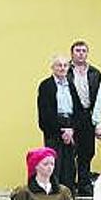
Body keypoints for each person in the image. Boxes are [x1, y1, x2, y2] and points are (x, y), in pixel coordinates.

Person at [37, 55, 77, 191]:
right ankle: (54, 196)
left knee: (70, 167)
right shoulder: (46, 86)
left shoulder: (71, 85)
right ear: (53, 68)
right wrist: (61, 131)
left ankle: (68, 198)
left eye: (65, 65)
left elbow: (77, 109)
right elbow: (45, 113)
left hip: (70, 127)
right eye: (59, 65)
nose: (62, 68)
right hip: (54, 129)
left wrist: (71, 129)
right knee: (53, 165)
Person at [67, 40, 101, 196]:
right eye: (77, 50)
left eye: (83, 51)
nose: (80, 53)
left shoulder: (95, 73)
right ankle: (68, 185)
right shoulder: (65, 70)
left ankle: (84, 184)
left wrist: (98, 120)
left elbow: (99, 98)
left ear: (87, 53)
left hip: (89, 115)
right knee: (70, 151)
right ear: (72, 53)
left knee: (87, 151)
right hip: (72, 116)